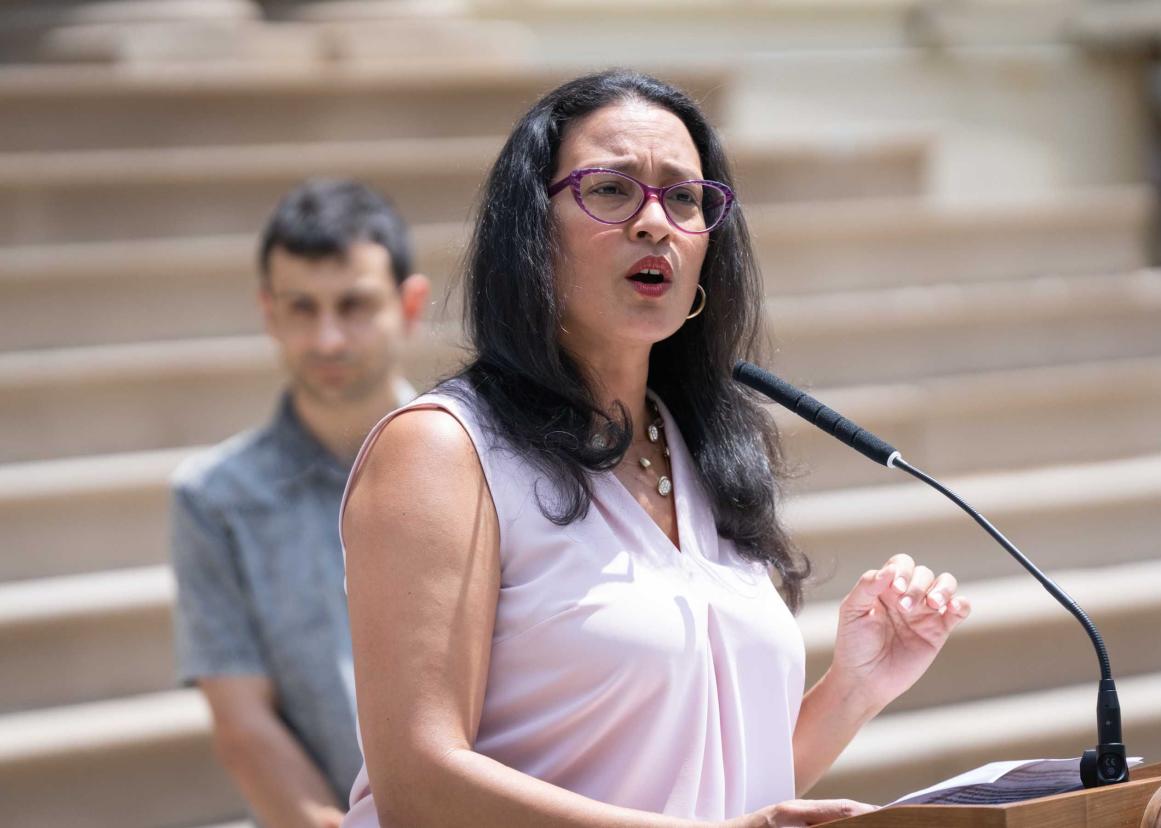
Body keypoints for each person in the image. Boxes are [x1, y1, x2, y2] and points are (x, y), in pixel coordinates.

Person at [339, 71, 971, 828]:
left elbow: (711, 789)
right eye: (610, 190)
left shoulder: (699, 447)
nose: (654, 222)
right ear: (530, 231)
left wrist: (853, 690)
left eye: (683, 198)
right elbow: (420, 786)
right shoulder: (444, 449)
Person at [169, 178, 431, 828]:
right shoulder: (212, 497)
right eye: (302, 308)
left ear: (411, 304)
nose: (328, 339)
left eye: (355, 304)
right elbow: (244, 727)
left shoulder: (485, 460)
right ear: (269, 313)